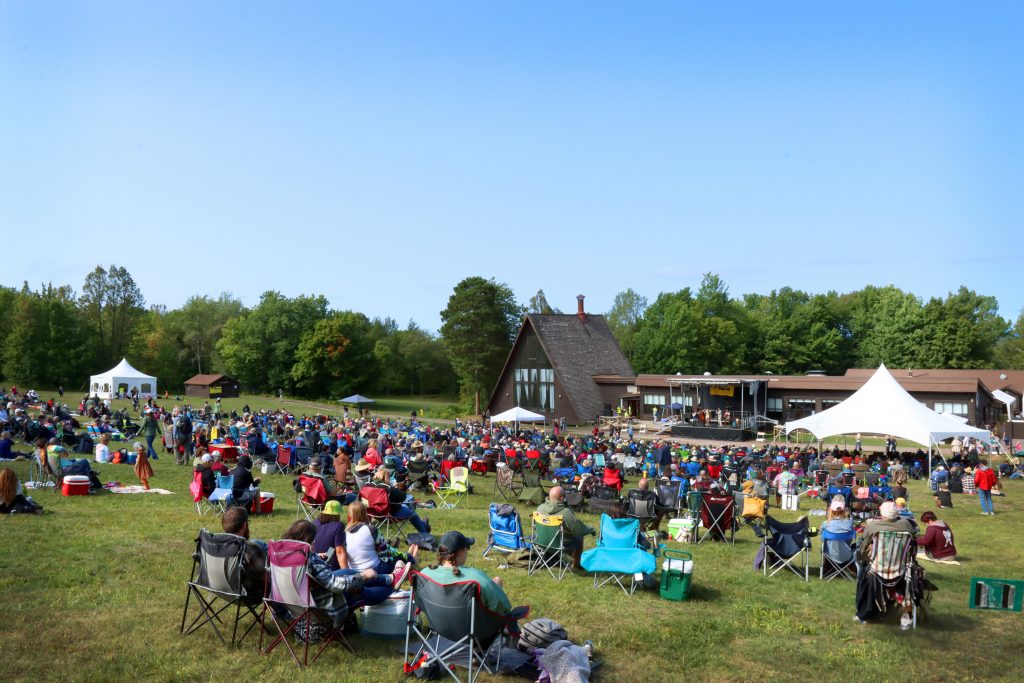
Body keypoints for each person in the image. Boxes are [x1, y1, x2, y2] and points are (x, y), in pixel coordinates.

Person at [279, 520, 399, 630]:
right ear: (306, 540)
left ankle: (389, 578)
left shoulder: (280, 555)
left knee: (347, 572)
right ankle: (391, 584)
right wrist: (364, 576)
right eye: (312, 540)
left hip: (294, 605)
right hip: (320, 608)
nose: (313, 542)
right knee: (359, 590)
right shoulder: (309, 560)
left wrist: (316, 557)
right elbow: (336, 585)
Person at [420, 531, 528, 629]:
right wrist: (496, 587)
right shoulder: (476, 579)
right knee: (497, 583)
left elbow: (419, 604)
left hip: (440, 627)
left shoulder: (423, 575)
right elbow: (503, 609)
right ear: (461, 552)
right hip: (474, 634)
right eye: (467, 547)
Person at [536, 486, 596, 570]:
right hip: (560, 544)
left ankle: (548, 558)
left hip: (541, 542)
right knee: (579, 538)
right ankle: (575, 565)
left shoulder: (540, 508)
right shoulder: (565, 512)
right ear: (561, 497)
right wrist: (591, 529)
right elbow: (579, 530)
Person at [220, 506, 267, 605]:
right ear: (245, 525)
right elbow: (267, 579)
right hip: (248, 595)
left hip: (219, 589)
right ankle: (281, 611)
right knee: (260, 544)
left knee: (258, 543)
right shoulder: (250, 549)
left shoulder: (216, 546)